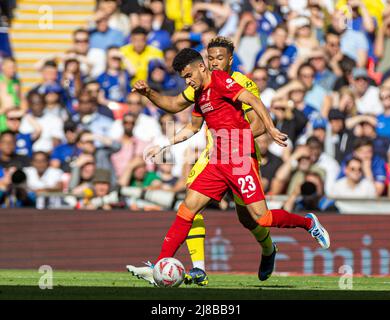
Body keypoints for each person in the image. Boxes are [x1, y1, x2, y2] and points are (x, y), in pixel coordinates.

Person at [127, 48, 330, 285]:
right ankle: (161, 263)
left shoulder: (222, 81)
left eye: (189, 75)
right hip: (217, 162)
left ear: (201, 67)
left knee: (260, 218)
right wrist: (165, 141)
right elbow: (188, 123)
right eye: (184, 78)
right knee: (187, 208)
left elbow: (253, 100)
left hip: (240, 160)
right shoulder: (198, 93)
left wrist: (271, 128)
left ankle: (308, 223)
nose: (188, 81)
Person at [134, 36, 279, 285]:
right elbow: (173, 105)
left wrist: (228, 140)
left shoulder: (242, 84)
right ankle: (198, 268)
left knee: (249, 218)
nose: (214, 63)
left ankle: (268, 249)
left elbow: (257, 125)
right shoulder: (199, 84)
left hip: (240, 154)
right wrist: (148, 93)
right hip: (213, 156)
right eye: (210, 58)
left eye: (219, 58)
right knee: (191, 202)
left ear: (230, 59)